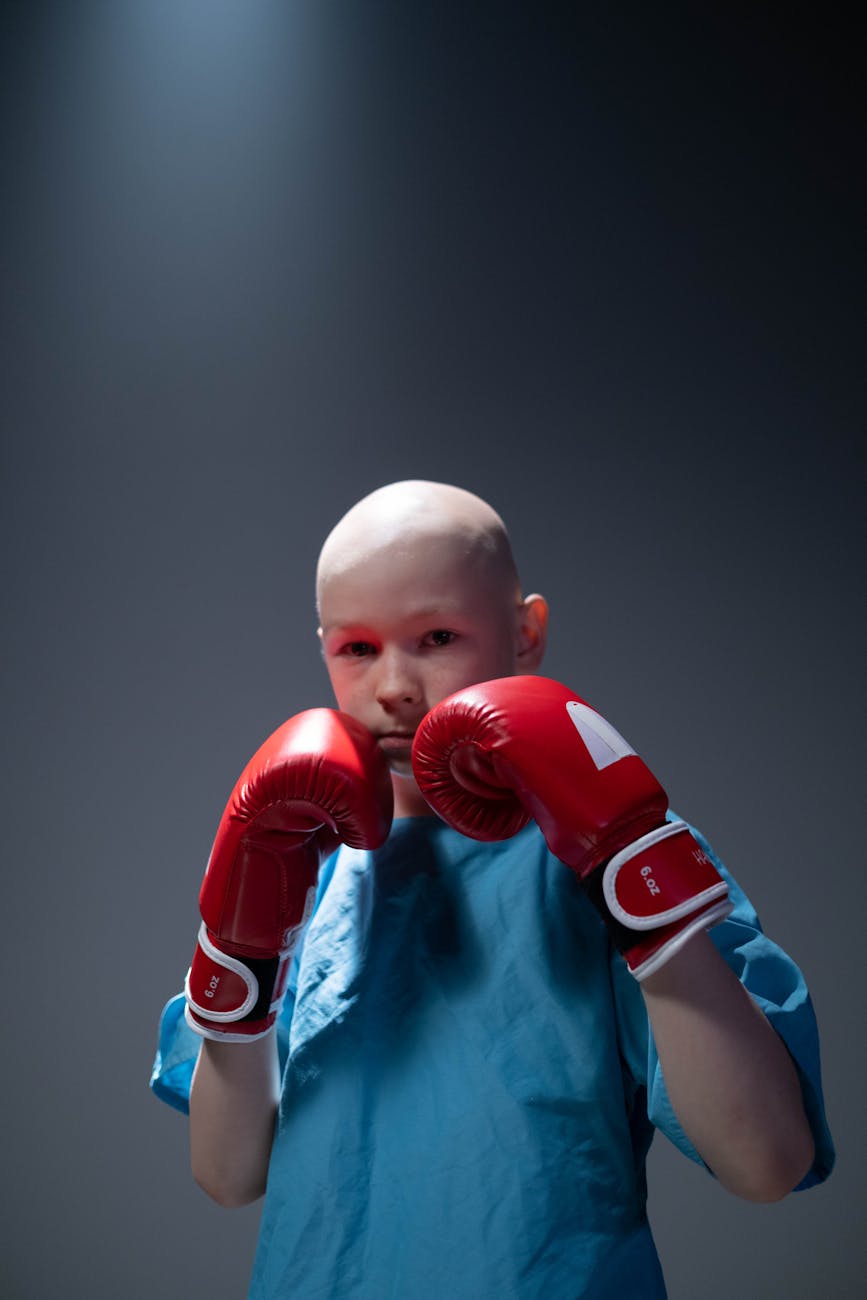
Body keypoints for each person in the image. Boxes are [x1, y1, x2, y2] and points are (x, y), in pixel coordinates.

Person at [151, 479, 834, 1298]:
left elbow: (765, 1162)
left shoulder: (609, 853)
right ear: (323, 646)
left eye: (437, 636)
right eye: (357, 648)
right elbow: (227, 1177)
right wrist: (240, 946)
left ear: (525, 632)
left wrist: (637, 879)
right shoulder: (298, 862)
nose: (394, 684)